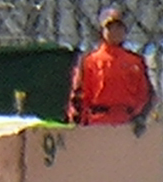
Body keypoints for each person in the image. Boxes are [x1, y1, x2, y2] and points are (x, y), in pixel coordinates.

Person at [66, 7, 155, 135]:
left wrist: (140, 118)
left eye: (119, 27)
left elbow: (146, 95)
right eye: (110, 28)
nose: (115, 32)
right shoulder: (90, 61)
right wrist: (78, 123)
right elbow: (79, 96)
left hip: (128, 125)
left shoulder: (135, 62)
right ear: (102, 31)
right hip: (97, 124)